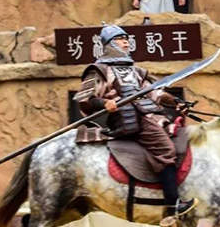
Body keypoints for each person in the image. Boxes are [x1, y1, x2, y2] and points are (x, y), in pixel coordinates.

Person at [73, 24, 195, 216]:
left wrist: (176, 102)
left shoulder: (136, 72)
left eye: (126, 38)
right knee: (165, 149)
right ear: (110, 43)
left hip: (148, 115)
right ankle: (173, 204)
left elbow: (156, 94)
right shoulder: (98, 70)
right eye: (121, 39)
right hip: (125, 119)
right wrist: (104, 103)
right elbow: (84, 99)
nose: (126, 42)